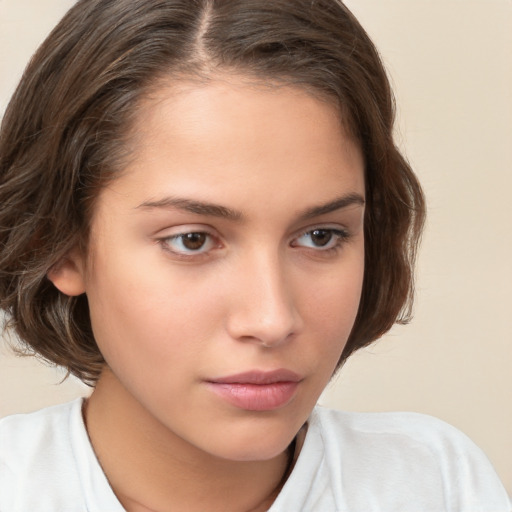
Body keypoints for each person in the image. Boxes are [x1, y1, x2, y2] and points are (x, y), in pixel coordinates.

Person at [0, 0, 509, 510]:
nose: (272, 320)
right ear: (58, 244)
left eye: (320, 236)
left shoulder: (434, 484)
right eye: (192, 240)